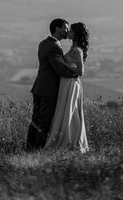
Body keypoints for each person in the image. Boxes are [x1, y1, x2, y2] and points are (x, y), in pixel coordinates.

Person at [25, 18, 79, 151]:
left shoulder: (43, 43)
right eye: (66, 28)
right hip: (48, 89)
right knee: (44, 121)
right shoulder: (54, 46)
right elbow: (59, 68)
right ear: (58, 29)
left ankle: (30, 147)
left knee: (36, 120)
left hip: (39, 87)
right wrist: (76, 74)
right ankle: (38, 149)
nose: (67, 31)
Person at [44, 22, 89, 153]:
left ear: (75, 34)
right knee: (66, 112)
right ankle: (66, 140)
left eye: (71, 31)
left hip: (71, 84)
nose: (68, 32)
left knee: (71, 112)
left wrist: (65, 65)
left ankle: (70, 141)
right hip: (66, 83)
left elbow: (81, 72)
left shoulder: (76, 50)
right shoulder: (73, 48)